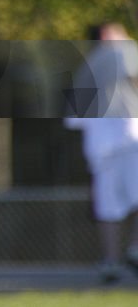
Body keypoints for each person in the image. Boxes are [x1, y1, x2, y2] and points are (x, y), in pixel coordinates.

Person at [64, 22, 138, 283]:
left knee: (108, 207)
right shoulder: (119, 52)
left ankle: (111, 261)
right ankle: (135, 249)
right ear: (108, 35)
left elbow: (74, 116)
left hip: (99, 147)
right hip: (128, 139)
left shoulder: (87, 66)